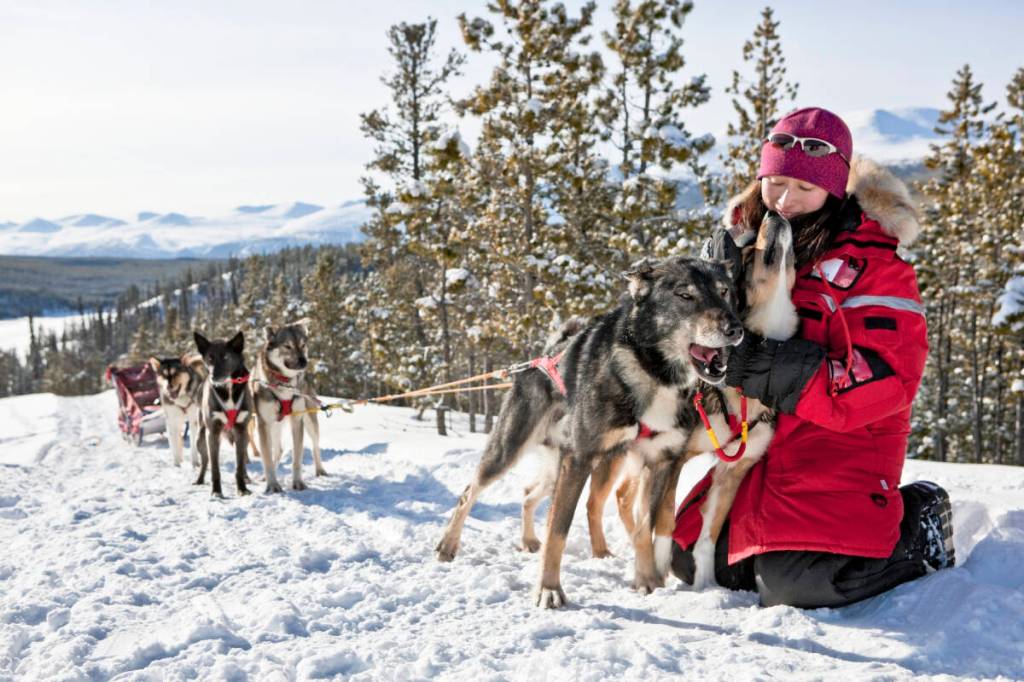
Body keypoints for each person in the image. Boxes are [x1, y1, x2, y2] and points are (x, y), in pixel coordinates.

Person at [670, 107, 955, 609]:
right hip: (764, 449)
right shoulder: (742, 246)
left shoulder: (877, 267)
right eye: (776, 182)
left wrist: (757, 364)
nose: (785, 200)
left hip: (843, 447)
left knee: (799, 584)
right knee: (690, 557)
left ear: (836, 186)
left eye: (804, 187)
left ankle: (918, 523)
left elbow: (886, 381)